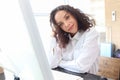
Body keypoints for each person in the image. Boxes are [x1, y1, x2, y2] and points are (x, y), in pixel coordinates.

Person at [48, 5, 100, 74]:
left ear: (74, 15)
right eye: (61, 24)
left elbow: (81, 67)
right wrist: (53, 37)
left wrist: (60, 62)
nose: (66, 24)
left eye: (67, 17)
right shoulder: (64, 38)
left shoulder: (91, 33)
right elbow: (51, 63)